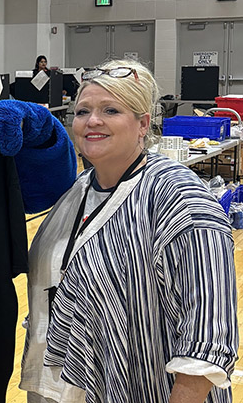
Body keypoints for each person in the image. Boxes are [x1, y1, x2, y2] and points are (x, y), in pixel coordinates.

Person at [20, 60, 238, 402]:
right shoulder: (79, 190)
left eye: (110, 110)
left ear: (143, 124)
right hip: (65, 385)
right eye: (82, 111)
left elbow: (207, 339)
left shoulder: (179, 199)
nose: (92, 121)